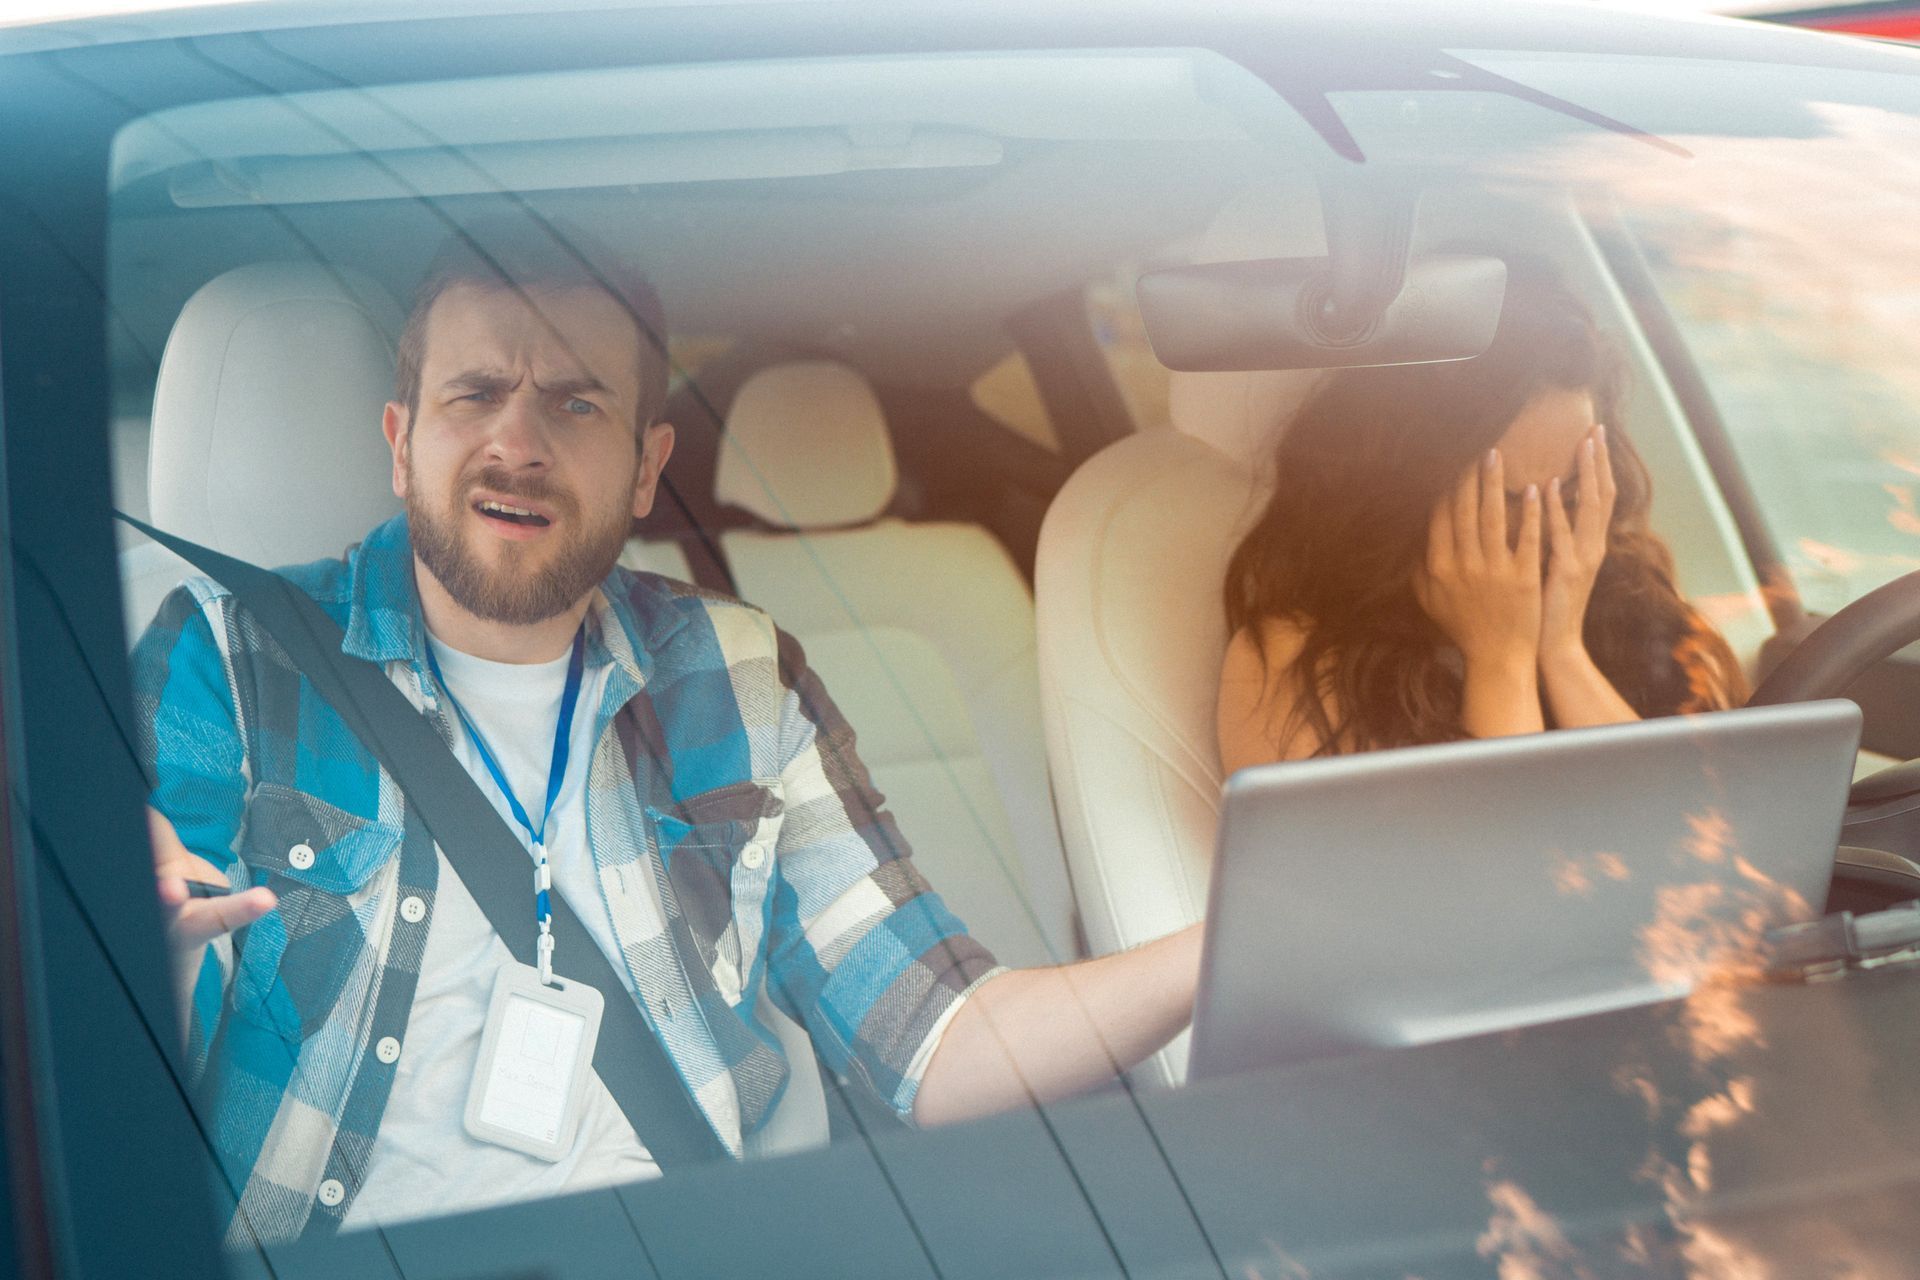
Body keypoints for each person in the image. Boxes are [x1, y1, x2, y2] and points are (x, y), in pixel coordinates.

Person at [139, 229, 1201, 1242]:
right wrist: (126, 945)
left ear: (648, 467)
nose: (518, 443)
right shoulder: (228, 661)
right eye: (475, 394)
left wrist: (1220, 944)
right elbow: (117, 1007)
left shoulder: (735, 676)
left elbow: (935, 1034)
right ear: (401, 441)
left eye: (576, 402)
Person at [1216, 267, 1747, 773]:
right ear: (1405, 489)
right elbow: (1507, 837)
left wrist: (1562, 652)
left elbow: (1680, 823)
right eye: (1507, 499)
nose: (1547, 531)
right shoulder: (1293, 661)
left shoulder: (1629, 597)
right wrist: (1500, 661)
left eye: (1569, 492)